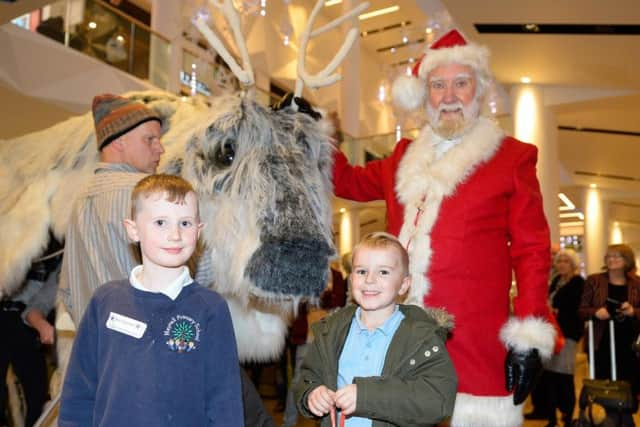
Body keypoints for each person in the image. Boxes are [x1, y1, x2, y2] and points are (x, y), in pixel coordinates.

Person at [332, 29, 556, 426]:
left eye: (461, 83)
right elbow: (344, 179)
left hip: (473, 338)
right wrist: (308, 129)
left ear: (479, 91)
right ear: (424, 94)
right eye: (438, 85)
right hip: (395, 333)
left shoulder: (512, 158)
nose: (449, 96)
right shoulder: (401, 158)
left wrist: (528, 334)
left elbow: (531, 250)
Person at [59, 174, 244, 426]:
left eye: (186, 223)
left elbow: (225, 399)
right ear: (133, 229)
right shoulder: (106, 301)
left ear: (199, 230)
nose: (175, 234)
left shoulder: (210, 308)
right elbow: (79, 390)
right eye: (160, 222)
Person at [294, 232, 457, 426]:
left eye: (383, 272)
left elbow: (437, 399)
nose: (370, 280)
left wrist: (366, 396)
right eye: (362, 271)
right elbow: (308, 376)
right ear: (351, 278)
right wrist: (312, 392)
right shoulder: (330, 331)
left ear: (404, 285)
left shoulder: (421, 337)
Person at [58, 93, 164, 325]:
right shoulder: (149, 194)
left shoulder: (79, 201)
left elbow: (67, 293)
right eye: (150, 140)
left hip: (96, 348)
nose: (161, 149)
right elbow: (191, 272)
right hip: (148, 347)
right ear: (118, 141)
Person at [0, 232, 62, 427]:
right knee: (34, 390)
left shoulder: (59, 256)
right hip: (12, 317)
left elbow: (38, 304)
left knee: (35, 391)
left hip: (23, 321)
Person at [579, 244, 640, 415]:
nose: (611, 259)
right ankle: (604, 419)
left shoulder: (637, 283)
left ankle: (625, 419)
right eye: (608, 256)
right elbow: (582, 309)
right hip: (601, 341)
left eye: (616, 256)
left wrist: (633, 311)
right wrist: (596, 312)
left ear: (627, 260)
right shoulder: (594, 280)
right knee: (602, 384)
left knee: (629, 384)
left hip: (630, 344)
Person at [538, 249, 584, 427]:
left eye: (566, 260)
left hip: (567, 336)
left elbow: (577, 310)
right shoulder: (556, 281)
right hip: (551, 334)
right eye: (559, 261)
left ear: (573, 264)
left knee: (564, 376)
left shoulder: (579, 283)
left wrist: (557, 311)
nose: (562, 264)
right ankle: (551, 417)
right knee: (550, 377)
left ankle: (567, 416)